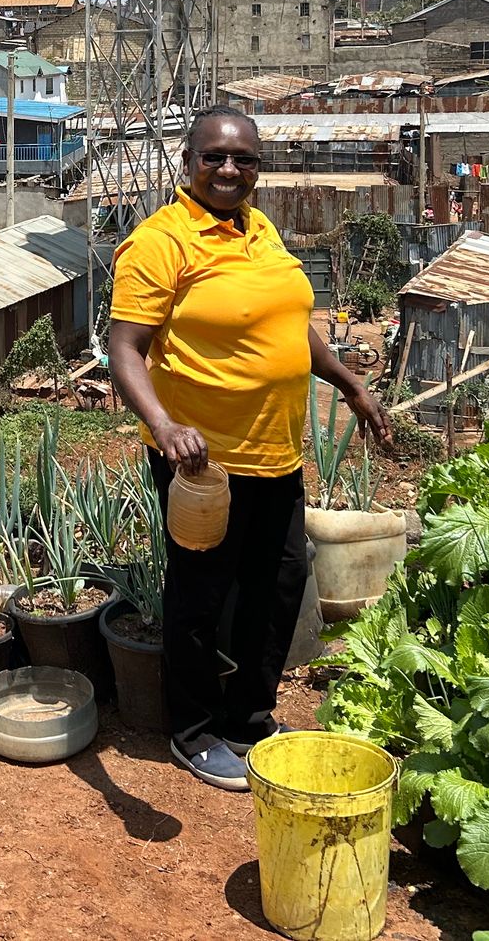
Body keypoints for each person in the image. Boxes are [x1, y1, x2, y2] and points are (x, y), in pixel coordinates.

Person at [106, 105, 390, 790]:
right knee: (202, 593)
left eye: (245, 159)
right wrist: (166, 428)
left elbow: (289, 324)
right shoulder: (161, 242)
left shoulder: (259, 229)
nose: (230, 170)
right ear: (188, 161)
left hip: (276, 450)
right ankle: (195, 731)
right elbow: (124, 348)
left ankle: (249, 718)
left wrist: (349, 383)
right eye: (215, 157)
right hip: (204, 465)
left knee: (280, 582)